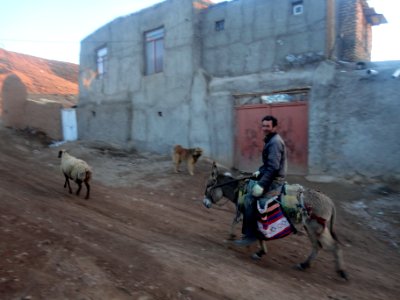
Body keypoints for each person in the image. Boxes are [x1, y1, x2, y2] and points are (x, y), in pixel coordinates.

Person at [234, 115, 287, 246]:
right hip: (271, 175)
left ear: (274, 127)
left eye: (267, 126)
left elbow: (273, 167)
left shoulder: (274, 142)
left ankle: (251, 235)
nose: (265, 128)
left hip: (274, 181)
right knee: (248, 186)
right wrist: (260, 171)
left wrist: (262, 184)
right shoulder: (271, 139)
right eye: (263, 126)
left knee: (249, 199)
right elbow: (268, 165)